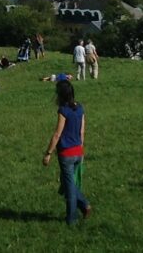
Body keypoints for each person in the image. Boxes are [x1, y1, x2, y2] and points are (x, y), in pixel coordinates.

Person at [42, 78, 91, 225]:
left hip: (66, 153)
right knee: (67, 182)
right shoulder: (80, 108)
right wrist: (80, 149)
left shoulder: (63, 110)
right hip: (78, 150)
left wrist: (48, 153)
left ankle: (72, 218)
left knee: (69, 188)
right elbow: (82, 132)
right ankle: (83, 205)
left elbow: (57, 133)